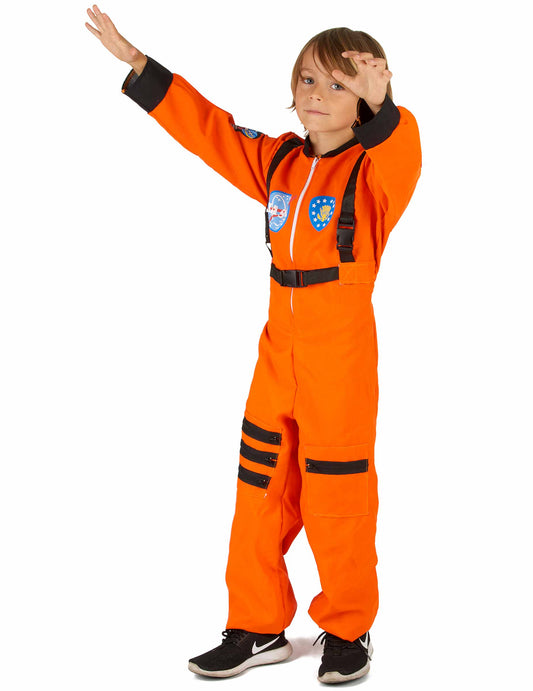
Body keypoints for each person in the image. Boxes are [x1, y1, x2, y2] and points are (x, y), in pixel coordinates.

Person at [85, 5, 422, 684]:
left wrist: (386, 108)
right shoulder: (279, 162)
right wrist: (141, 68)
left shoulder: (374, 173)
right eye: (307, 79)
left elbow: (401, 150)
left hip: (339, 359)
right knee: (258, 488)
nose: (315, 94)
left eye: (338, 84)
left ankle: (347, 627)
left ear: (366, 99)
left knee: (337, 495)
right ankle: (257, 624)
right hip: (277, 355)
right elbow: (209, 130)